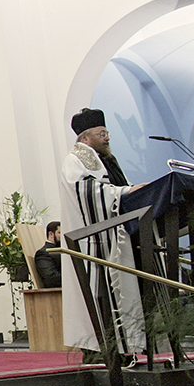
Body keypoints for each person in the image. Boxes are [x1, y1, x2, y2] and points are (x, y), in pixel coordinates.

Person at [60, 108, 146, 360]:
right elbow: (86, 191)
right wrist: (125, 193)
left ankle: (128, 348)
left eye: (107, 133)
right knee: (101, 295)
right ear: (85, 138)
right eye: (102, 133)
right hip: (94, 243)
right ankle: (105, 352)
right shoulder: (75, 160)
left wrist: (131, 192)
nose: (107, 138)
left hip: (118, 238)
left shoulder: (108, 160)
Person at [34, 221, 62, 288]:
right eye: (60, 233)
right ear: (51, 234)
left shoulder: (62, 249)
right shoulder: (43, 253)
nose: (62, 236)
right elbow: (51, 278)